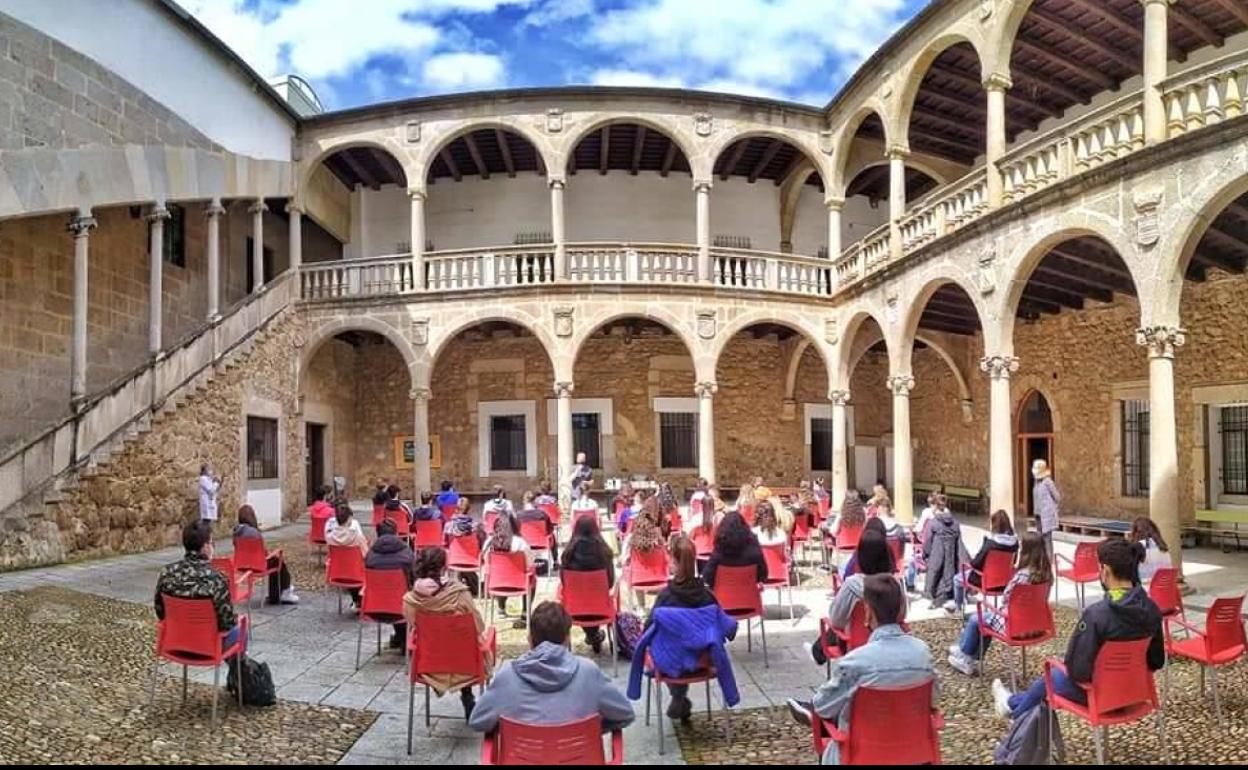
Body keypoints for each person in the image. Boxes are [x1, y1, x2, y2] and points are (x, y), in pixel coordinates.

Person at [991, 538, 1163, 720]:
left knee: (1051, 678)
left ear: (1105, 571)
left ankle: (1014, 714)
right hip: (1135, 694)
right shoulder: (1152, 609)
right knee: (1050, 681)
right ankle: (1010, 702)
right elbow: (1156, 660)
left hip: (1101, 697)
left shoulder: (1096, 615)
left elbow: (1078, 671)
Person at [787, 575, 935, 765]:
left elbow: (823, 707)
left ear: (868, 613)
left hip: (862, 756)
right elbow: (933, 701)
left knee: (832, 715)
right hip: (914, 753)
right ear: (901, 609)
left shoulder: (855, 663)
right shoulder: (924, 654)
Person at [470, 601, 634, 735]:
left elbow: (478, 722)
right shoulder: (588, 672)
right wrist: (590, 730)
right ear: (567, 639)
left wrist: (511, 731)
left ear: (530, 640)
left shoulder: (507, 676)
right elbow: (625, 714)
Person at [628, 534, 739, 723]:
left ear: (675, 563)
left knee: (667, 646)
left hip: (670, 663)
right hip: (704, 661)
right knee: (682, 646)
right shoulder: (708, 597)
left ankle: (678, 696)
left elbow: (648, 629)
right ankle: (679, 697)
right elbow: (729, 628)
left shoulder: (665, 598)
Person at [404, 547, 492, 720]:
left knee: (447, 641)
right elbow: (478, 626)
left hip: (429, 665)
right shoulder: (460, 594)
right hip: (466, 665)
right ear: (444, 567)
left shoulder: (411, 599)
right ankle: (468, 696)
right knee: (464, 643)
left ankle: (458, 691)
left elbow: (413, 625)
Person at [947, 531, 1052, 676]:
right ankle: (964, 651)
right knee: (985, 618)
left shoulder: (1023, 575)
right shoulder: (1047, 574)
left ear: (1026, 551)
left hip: (1013, 626)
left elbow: (1006, 597)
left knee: (976, 619)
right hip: (1035, 625)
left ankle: (965, 655)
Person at [806, 527, 907, 666]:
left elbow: (836, 620)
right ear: (887, 555)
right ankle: (817, 650)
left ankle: (817, 651)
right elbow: (902, 615)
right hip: (890, 644)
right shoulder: (896, 583)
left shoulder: (852, 585)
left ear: (860, 557)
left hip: (855, 646)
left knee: (833, 630)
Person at [155, 521, 246, 658]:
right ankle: (237, 677)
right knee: (240, 630)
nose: (213, 547)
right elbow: (226, 624)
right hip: (207, 647)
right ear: (204, 547)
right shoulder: (217, 579)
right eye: (211, 543)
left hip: (175, 643)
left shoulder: (166, 573)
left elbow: (160, 610)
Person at [560, 515, 617, 654]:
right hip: (600, 606)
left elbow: (564, 582)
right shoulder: (604, 553)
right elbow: (610, 582)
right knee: (592, 597)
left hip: (575, 608)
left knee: (582, 597)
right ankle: (593, 635)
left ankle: (592, 635)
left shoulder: (568, 554)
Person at [950, 510, 1018, 613]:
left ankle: (958, 608)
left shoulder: (990, 544)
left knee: (957, 579)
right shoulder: (1015, 543)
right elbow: (1013, 561)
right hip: (1005, 582)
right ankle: (967, 598)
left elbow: (975, 564)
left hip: (984, 580)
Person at [233, 504, 299, 605]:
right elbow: (262, 552)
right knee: (278, 562)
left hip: (242, 564)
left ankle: (279, 593)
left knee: (274, 561)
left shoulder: (236, 533)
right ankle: (284, 591)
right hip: (258, 565)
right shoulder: (254, 533)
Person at [366, 518, 416, 649]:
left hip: (374, 607)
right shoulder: (406, 554)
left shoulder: (370, 556)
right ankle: (406, 639)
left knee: (394, 596)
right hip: (401, 608)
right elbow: (414, 579)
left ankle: (400, 638)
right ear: (396, 533)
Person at [482, 513, 534, 627]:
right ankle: (525, 613)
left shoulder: (489, 543)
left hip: (496, 583)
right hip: (519, 583)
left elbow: (485, 562)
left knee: (500, 573)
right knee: (531, 576)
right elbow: (530, 563)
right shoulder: (521, 543)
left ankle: (501, 608)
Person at [922, 493, 969, 608]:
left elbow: (927, 543)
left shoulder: (933, 524)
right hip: (952, 561)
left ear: (935, 507)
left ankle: (935, 596)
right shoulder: (956, 524)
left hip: (937, 559)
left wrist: (925, 555)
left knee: (934, 566)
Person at [701, 510, 767, 590]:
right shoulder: (753, 549)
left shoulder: (719, 552)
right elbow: (763, 574)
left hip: (723, 598)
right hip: (749, 598)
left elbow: (707, 577)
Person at [622, 499, 666, 605]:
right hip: (659, 578)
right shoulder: (659, 541)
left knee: (630, 567)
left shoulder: (631, 540)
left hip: (638, 580)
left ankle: (641, 606)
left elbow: (624, 559)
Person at [326, 502, 369, 605]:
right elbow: (366, 555)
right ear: (349, 518)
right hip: (355, 573)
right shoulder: (357, 537)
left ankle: (357, 601)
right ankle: (360, 600)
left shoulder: (330, 537)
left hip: (337, 572)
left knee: (349, 568)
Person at [1032, 459, 1061, 567]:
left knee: (1047, 537)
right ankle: (1042, 558)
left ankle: (1049, 561)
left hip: (1046, 514)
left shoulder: (1048, 481)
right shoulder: (1036, 482)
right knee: (1040, 537)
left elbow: (1057, 497)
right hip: (1038, 514)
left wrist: (1052, 508)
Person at [517, 489, 558, 564]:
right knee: (553, 536)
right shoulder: (542, 514)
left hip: (524, 542)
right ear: (534, 501)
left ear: (524, 501)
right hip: (541, 542)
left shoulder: (518, 516)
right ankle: (555, 561)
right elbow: (550, 529)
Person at [1128, 516, 1172, 582]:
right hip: (1165, 588)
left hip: (1146, 588)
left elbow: (1132, 573)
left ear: (1136, 531)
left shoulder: (1139, 546)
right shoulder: (1163, 546)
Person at [198, 463, 221, 528]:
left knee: (209, 521)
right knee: (206, 520)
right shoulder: (203, 479)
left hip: (210, 502)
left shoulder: (208, 479)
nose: (210, 471)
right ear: (204, 470)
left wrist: (218, 482)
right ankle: (205, 535)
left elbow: (215, 490)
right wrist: (216, 483)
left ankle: (207, 535)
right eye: (208, 469)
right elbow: (211, 490)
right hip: (206, 503)